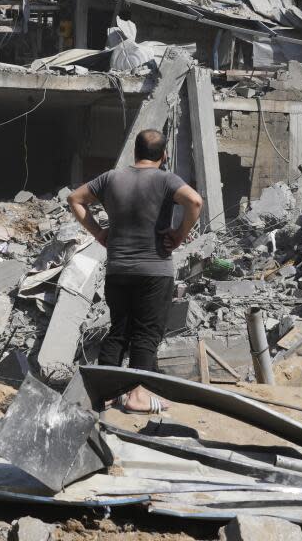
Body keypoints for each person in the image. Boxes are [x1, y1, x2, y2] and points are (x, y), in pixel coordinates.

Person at [68, 129, 203, 414]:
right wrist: (179, 234)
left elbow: (75, 199)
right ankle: (137, 396)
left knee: (119, 330)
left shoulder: (111, 178)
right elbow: (195, 202)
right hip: (154, 271)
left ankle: (104, 394)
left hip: (118, 269)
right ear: (164, 155)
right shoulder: (166, 179)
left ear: (135, 152)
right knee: (146, 334)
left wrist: (98, 233)